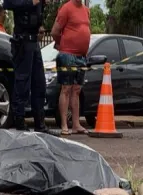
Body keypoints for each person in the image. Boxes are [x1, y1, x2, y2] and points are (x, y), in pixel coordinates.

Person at [3, 0, 54, 134]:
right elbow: (7, 3)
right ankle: (19, 122)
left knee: (39, 84)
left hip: (34, 41)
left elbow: (37, 13)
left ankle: (40, 124)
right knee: (22, 83)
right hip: (22, 41)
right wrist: (32, 2)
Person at [50, 0, 91, 135]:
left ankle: (76, 124)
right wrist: (62, 45)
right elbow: (55, 31)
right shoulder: (66, 8)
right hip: (67, 55)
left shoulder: (86, 10)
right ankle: (64, 124)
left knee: (77, 90)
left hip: (81, 57)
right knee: (66, 89)